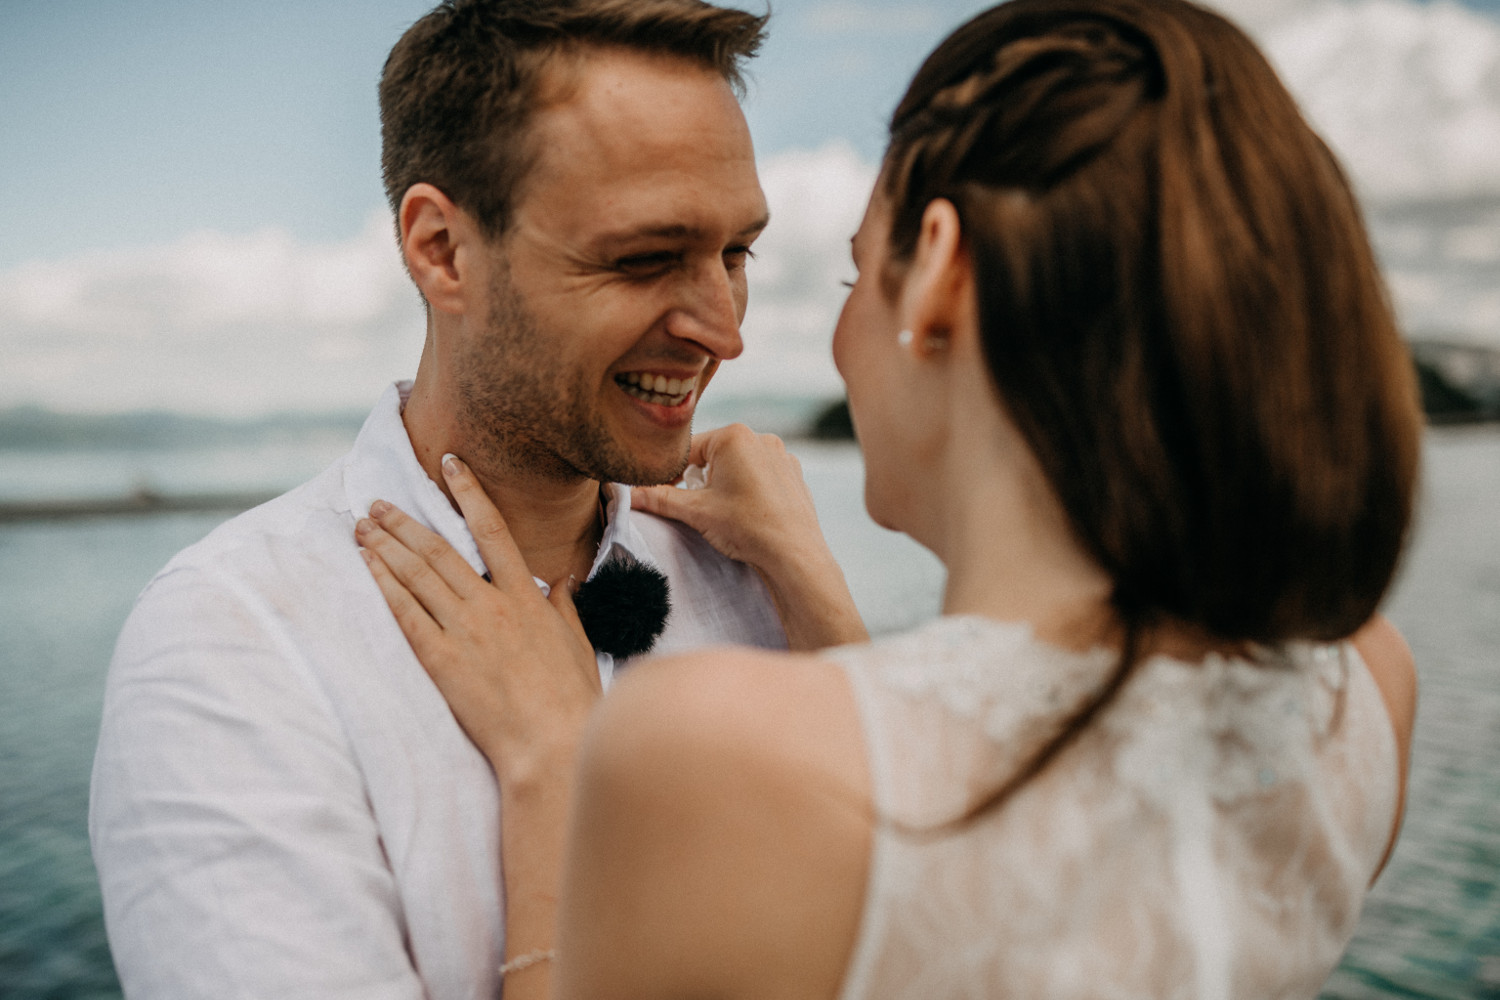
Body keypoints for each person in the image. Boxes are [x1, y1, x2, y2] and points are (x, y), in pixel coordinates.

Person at [357, 0, 1424, 996]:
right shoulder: (1368, 688)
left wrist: (557, 760)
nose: (731, 333)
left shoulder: (690, 747)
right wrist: (810, 580)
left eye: (854, 275)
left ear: (941, 276)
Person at [88, 2, 808, 997]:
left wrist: (811, 590)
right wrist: (564, 771)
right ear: (440, 249)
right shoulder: (233, 646)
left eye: (738, 255)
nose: (724, 333)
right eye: (644, 258)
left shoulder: (765, 580)